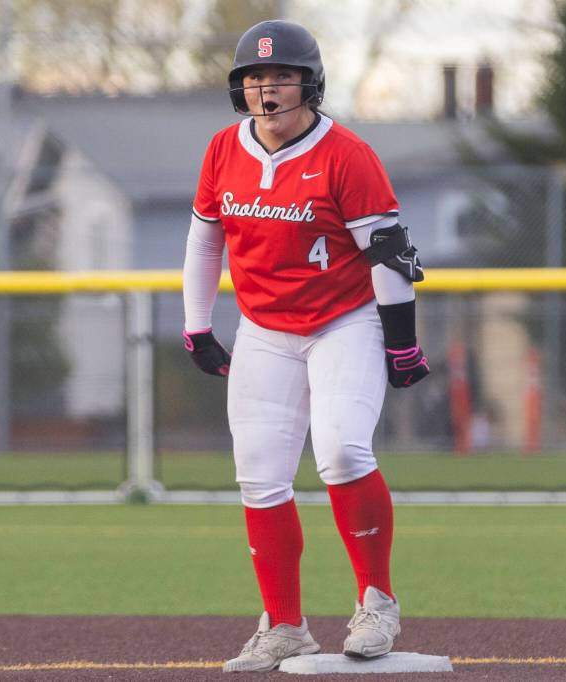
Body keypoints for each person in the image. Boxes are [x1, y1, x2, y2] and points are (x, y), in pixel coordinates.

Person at [181, 19, 430, 674]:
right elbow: (207, 238)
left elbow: (387, 254)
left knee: (343, 451)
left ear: (309, 84)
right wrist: (198, 322)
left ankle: (377, 603)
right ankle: (285, 626)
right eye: (256, 77)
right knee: (260, 476)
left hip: (344, 321)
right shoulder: (222, 150)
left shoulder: (346, 154)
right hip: (265, 328)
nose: (268, 88)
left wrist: (401, 342)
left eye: (282, 76)